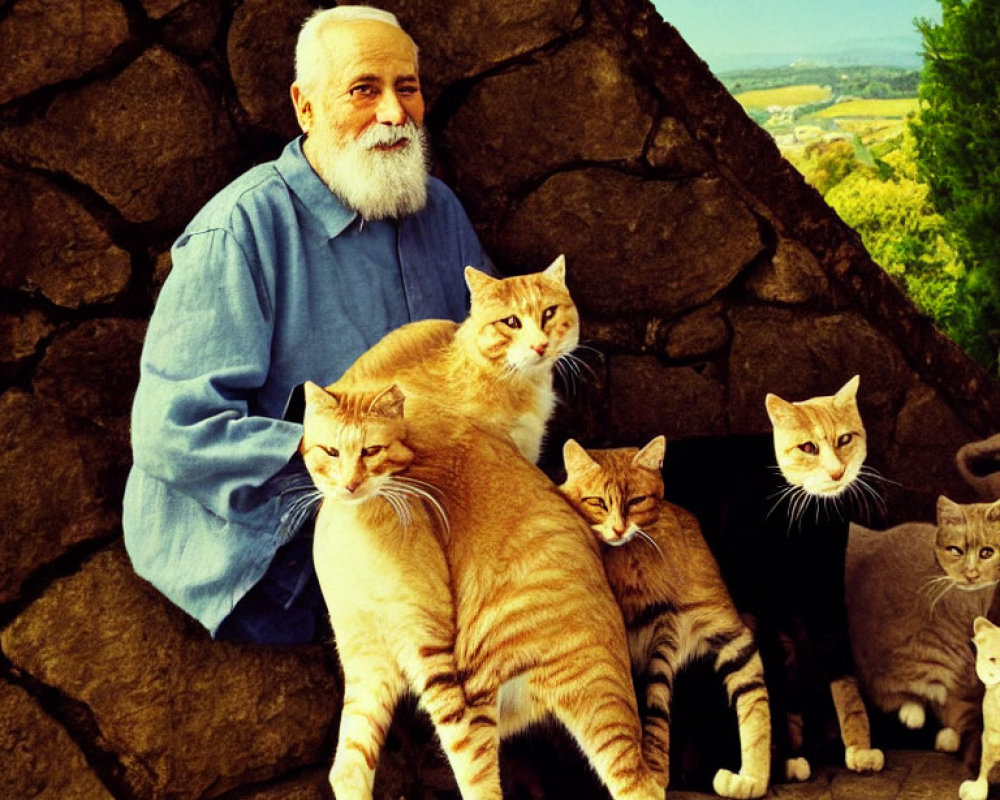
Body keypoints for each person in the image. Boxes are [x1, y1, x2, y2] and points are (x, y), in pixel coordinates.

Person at [123, 5, 493, 645]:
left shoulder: (441, 209)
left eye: (407, 87)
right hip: (277, 555)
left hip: (416, 507)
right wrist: (344, 453)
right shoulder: (239, 228)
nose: (393, 113)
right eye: (364, 90)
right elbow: (171, 430)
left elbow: (491, 353)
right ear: (306, 107)